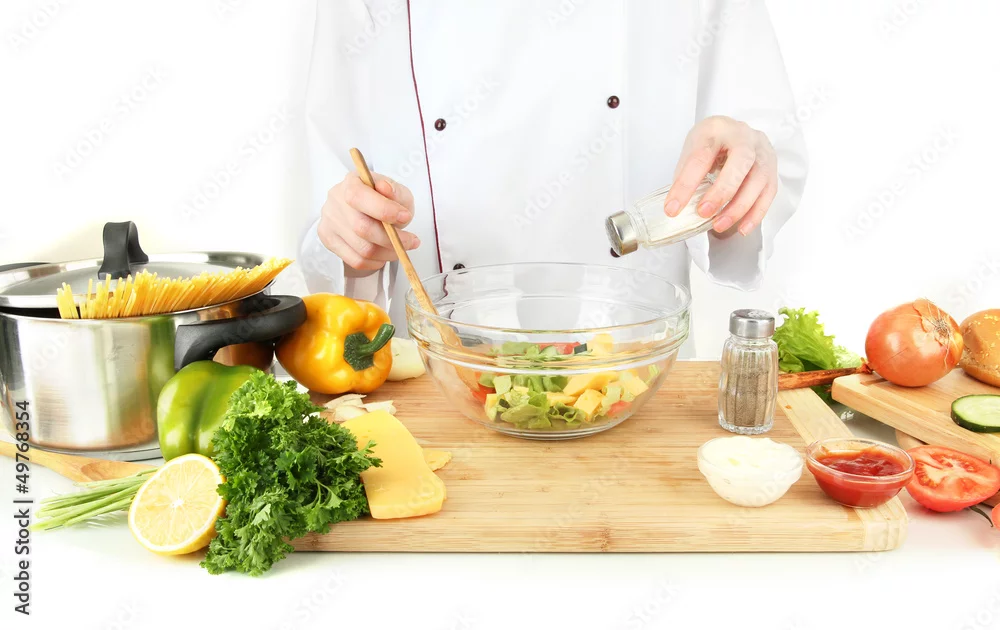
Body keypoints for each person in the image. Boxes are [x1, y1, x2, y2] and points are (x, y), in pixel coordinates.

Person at [298, 1, 807, 357]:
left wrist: (740, 174)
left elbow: (763, 148)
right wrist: (350, 233)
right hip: (442, 373)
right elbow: (330, 206)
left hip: (634, 362)